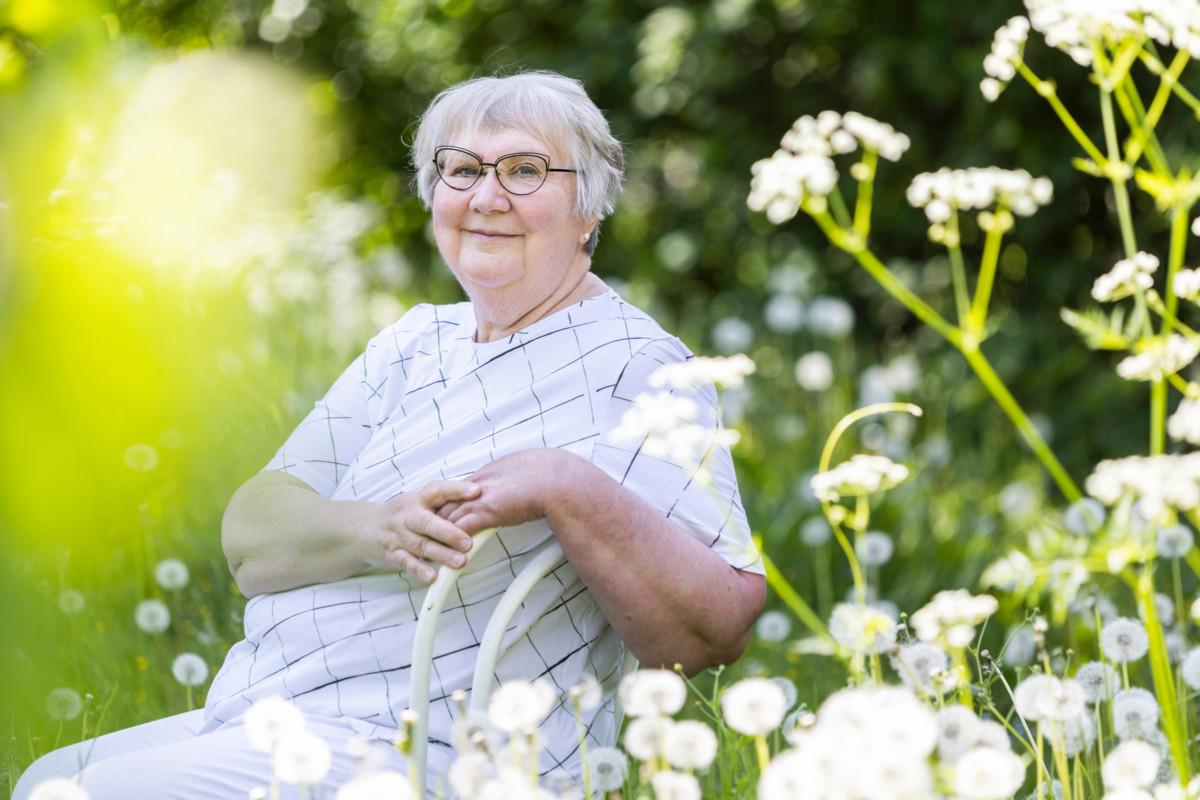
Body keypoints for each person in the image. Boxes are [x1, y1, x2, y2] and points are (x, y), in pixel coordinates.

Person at [14, 69, 765, 799]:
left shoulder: (636, 366)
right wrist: (379, 528)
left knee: (95, 793)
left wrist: (562, 484)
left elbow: (715, 628)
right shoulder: (413, 344)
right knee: (46, 778)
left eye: (526, 170)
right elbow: (252, 536)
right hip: (282, 708)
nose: (487, 196)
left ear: (589, 208)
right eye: (462, 170)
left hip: (446, 751)